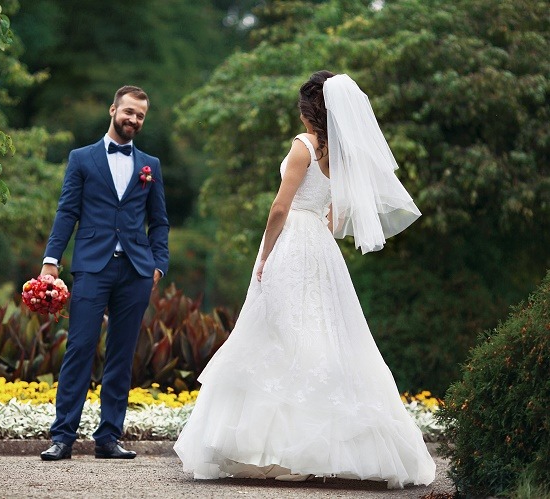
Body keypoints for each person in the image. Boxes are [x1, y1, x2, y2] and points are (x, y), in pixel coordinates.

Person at [173, 71, 436, 489]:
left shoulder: (303, 147)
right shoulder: (341, 155)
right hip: (321, 245)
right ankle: (325, 446)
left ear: (307, 110)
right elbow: (336, 215)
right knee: (324, 331)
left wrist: (265, 254)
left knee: (280, 331)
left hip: (293, 238)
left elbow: (280, 207)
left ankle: (280, 449)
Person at [39, 85, 169, 461]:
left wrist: (159, 263)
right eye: (128, 111)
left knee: (121, 354)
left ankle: (108, 438)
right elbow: (67, 212)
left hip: (136, 271)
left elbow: (159, 222)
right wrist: (52, 259)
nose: (133, 119)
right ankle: (62, 437)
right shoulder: (81, 158)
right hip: (92, 268)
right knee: (79, 348)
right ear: (113, 109)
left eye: (140, 115)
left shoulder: (151, 165)